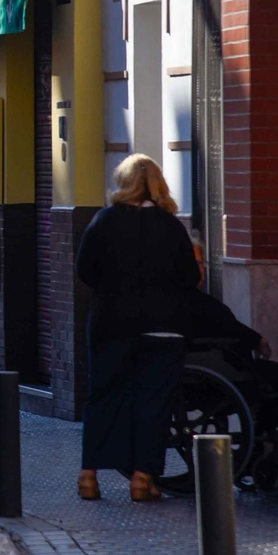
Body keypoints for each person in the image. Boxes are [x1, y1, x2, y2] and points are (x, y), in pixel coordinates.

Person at [75, 154, 200, 503]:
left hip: (111, 324)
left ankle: (89, 476)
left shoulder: (104, 220)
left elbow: (85, 270)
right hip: (163, 328)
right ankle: (142, 480)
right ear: (158, 183)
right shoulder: (171, 226)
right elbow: (189, 278)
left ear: (123, 182)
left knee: (103, 396)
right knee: (152, 403)